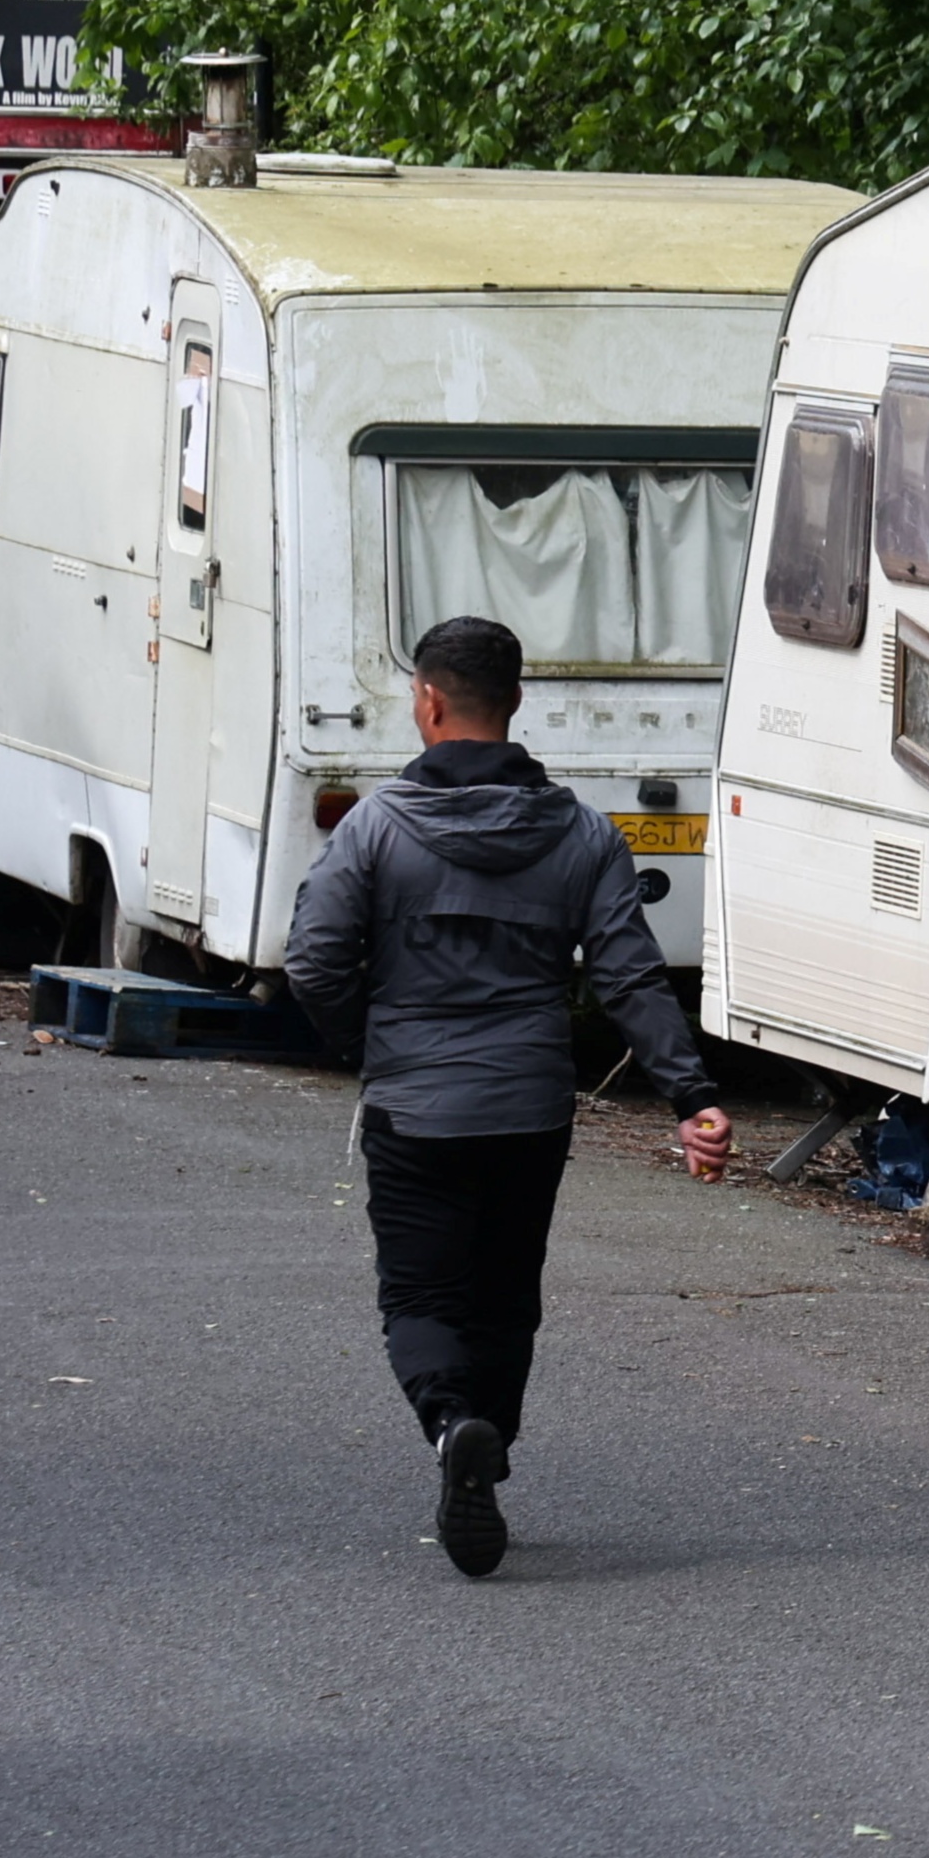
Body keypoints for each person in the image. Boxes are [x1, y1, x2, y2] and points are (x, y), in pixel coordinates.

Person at [285, 613, 732, 1575]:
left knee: (419, 1292)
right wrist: (689, 1098)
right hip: (530, 1105)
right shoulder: (582, 834)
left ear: (430, 702)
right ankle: (488, 1442)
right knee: (505, 1297)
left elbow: (314, 960)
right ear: (517, 702)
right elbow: (629, 978)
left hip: (416, 1103)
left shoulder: (374, 828)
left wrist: (373, 1044)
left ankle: (454, 1429)